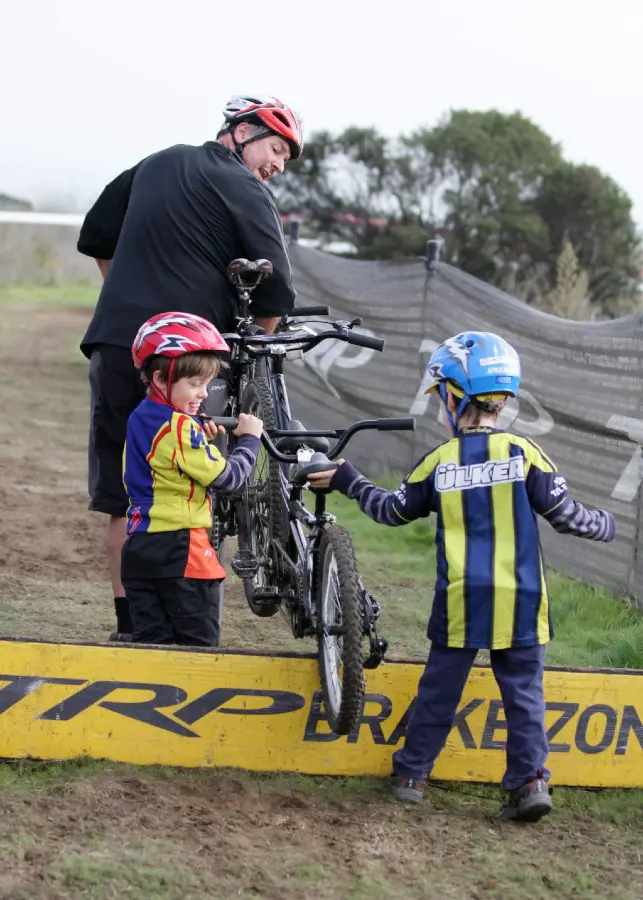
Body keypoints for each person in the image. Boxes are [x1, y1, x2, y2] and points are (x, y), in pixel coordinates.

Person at [307, 331, 616, 822]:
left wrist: (347, 478)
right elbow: (568, 516)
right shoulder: (524, 453)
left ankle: (411, 774)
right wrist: (609, 525)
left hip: (460, 602)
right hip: (521, 600)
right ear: (502, 399)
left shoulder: (439, 461)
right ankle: (530, 783)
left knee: (439, 691)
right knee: (523, 697)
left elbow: (390, 511)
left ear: (452, 397)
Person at [76, 94, 303, 640]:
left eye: (285, 160)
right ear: (242, 132)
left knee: (124, 493)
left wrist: (131, 301)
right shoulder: (245, 188)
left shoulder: (154, 163)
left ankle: (130, 625)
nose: (276, 166)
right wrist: (248, 358)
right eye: (275, 149)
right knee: (193, 481)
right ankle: (187, 620)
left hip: (117, 344)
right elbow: (276, 290)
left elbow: (95, 236)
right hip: (192, 357)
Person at [122, 311, 263, 646]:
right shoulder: (181, 427)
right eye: (195, 384)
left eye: (207, 384)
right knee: (198, 650)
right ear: (159, 379)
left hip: (140, 548)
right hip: (181, 549)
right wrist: (249, 439)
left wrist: (201, 436)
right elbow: (229, 479)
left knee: (152, 647)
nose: (203, 394)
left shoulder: (142, 415)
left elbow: (166, 459)